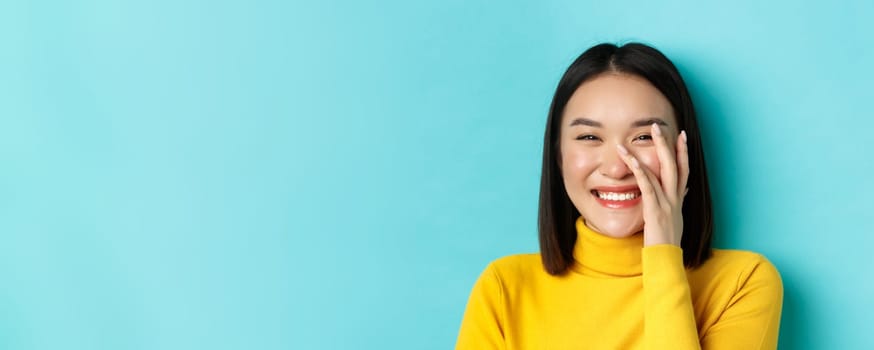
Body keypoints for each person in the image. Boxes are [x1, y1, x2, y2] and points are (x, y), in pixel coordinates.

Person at [455, 43, 783, 349]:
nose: (616, 168)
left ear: (683, 151)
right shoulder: (504, 289)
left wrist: (663, 256)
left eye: (643, 136)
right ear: (558, 156)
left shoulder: (743, 283)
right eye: (588, 136)